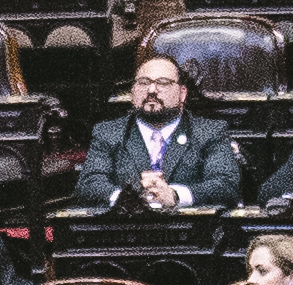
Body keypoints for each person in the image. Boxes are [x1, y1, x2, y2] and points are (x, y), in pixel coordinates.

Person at [79, 50, 247, 214]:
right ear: (132, 92)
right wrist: (126, 197)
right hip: (124, 231)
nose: (152, 90)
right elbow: (89, 184)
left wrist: (175, 195)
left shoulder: (210, 132)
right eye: (144, 82)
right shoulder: (108, 132)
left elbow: (226, 185)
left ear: (182, 93)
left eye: (163, 82)